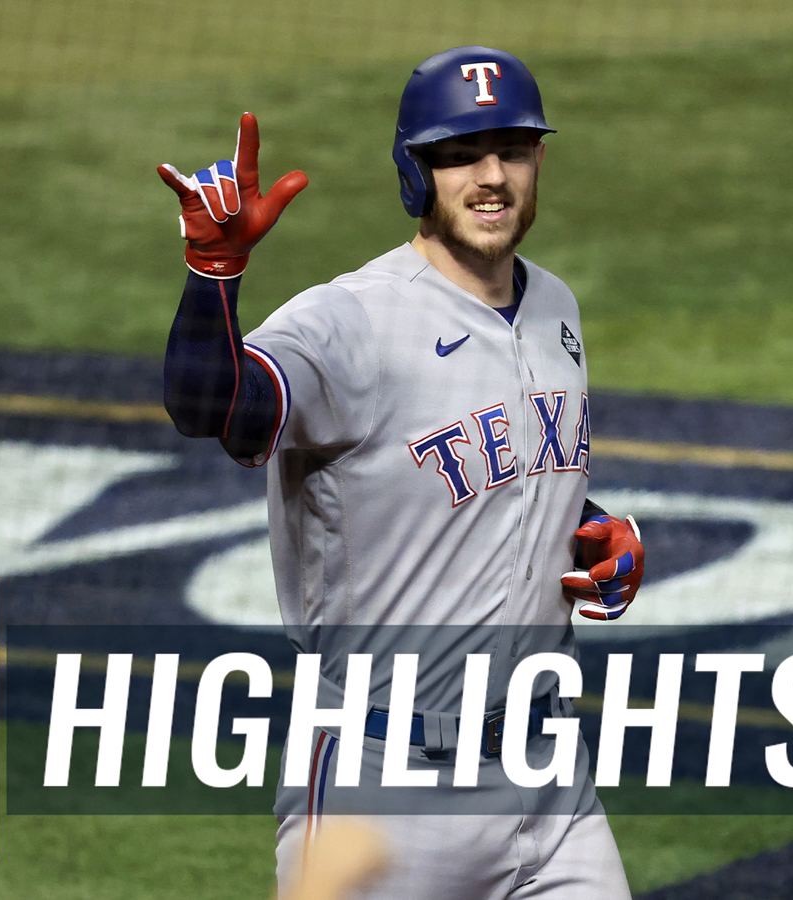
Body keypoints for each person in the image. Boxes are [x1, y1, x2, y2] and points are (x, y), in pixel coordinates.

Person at [158, 46, 645, 900]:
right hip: (380, 789)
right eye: (460, 153)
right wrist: (214, 278)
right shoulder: (352, 322)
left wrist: (598, 536)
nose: (492, 176)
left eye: (514, 148)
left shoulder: (557, 306)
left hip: (551, 778)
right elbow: (216, 409)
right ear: (415, 172)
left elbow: (510, 478)